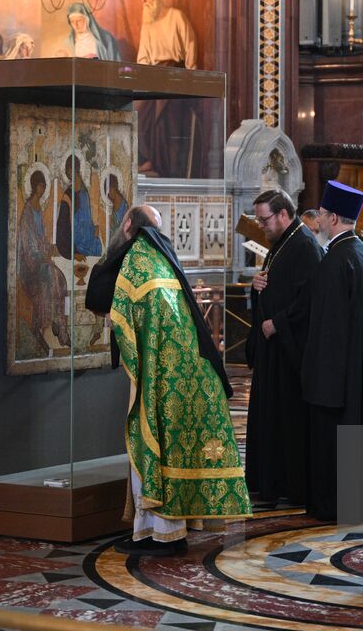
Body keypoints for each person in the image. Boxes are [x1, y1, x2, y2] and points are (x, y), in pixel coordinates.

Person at [85, 205, 250, 555]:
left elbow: (99, 298)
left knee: (153, 442)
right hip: (188, 370)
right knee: (175, 446)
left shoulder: (135, 259)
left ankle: (162, 533)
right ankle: (155, 529)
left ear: (128, 225)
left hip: (160, 374)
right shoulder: (160, 257)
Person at [300, 180, 363, 522]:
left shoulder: (335, 261)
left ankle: (333, 505)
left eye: (322, 215)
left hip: (337, 378)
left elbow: (326, 329)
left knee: (334, 446)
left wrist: (315, 380)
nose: (319, 221)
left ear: (334, 217)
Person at [244, 188, 322, 508]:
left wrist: (278, 322)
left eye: (264, 220)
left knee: (287, 420)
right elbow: (274, 287)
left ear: (284, 214)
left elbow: (310, 300)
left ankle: (288, 484)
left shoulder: (305, 246)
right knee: (270, 417)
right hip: (273, 350)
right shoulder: (280, 245)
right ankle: (269, 482)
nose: (261, 227)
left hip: (290, 352)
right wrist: (257, 287)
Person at [135, 0, 201, 177]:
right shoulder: (147, 23)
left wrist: (191, 75)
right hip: (154, 75)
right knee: (139, 112)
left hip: (175, 73)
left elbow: (190, 43)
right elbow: (143, 55)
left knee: (166, 119)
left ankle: (168, 168)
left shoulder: (176, 16)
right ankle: (147, 161)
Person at [18, 170, 69, 353]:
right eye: (40, 185)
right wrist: (41, 257)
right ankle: (43, 325)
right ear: (34, 186)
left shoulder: (39, 207)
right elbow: (28, 244)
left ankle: (60, 323)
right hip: (30, 265)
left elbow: (42, 238)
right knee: (49, 277)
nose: (42, 189)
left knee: (60, 279)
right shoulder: (28, 212)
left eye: (44, 186)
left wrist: (50, 248)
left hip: (42, 260)